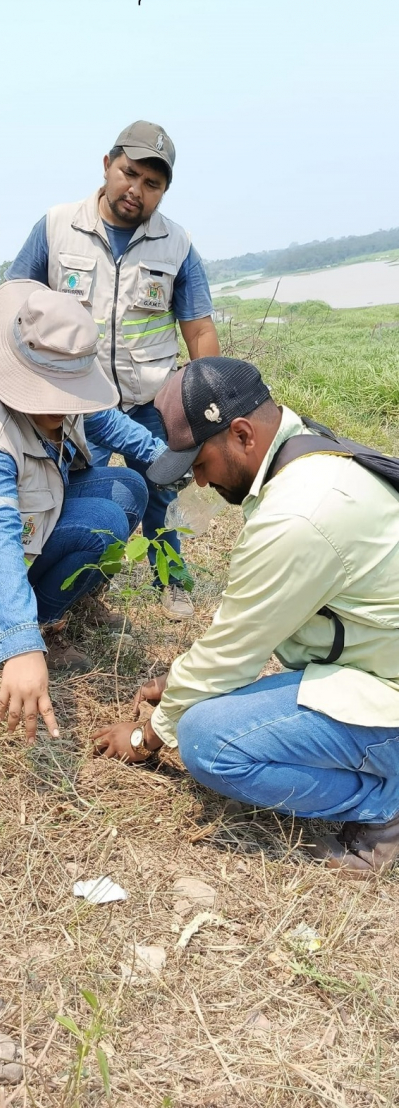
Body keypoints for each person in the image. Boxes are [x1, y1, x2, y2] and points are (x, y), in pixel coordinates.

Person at [93, 356, 399, 879]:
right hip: (375, 666)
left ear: (241, 434)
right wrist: (183, 680)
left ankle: (384, 807)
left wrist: (149, 737)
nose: (202, 483)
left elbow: (232, 652)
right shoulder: (312, 456)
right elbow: (251, 632)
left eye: (200, 464)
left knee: (208, 742)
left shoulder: (299, 514)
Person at [0, 279, 169, 744]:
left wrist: (168, 460)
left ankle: (60, 595)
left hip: (33, 509)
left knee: (128, 488)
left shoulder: (54, 383)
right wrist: (22, 641)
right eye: (55, 395)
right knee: (105, 524)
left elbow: (107, 422)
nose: (65, 406)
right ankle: (40, 619)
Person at [7, 120, 220, 621]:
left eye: (153, 184)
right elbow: (14, 302)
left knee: (161, 492)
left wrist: (208, 407)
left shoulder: (177, 244)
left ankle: (172, 580)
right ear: (107, 166)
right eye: (129, 174)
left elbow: (199, 329)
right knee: (73, 493)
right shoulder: (58, 226)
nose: (136, 190)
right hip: (79, 406)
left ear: (164, 191)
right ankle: (77, 591)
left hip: (151, 400)